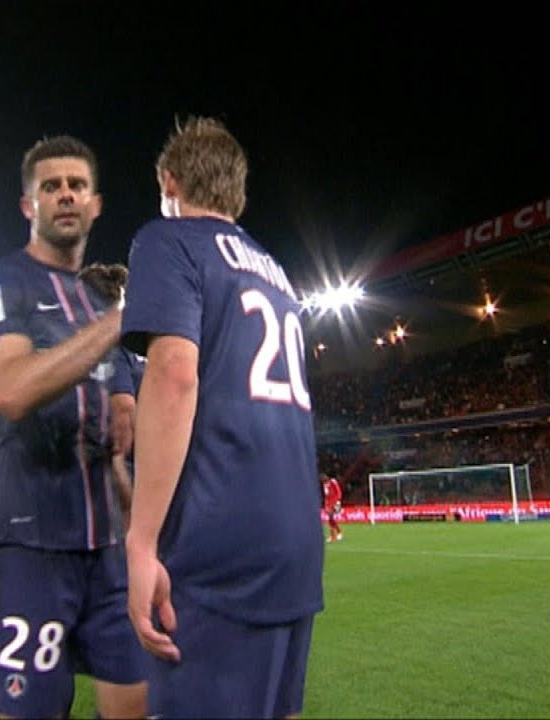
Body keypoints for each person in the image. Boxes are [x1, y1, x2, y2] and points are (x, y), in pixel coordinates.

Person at [121, 116, 324, 718]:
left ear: (169, 181)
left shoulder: (168, 240)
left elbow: (174, 374)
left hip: (219, 546)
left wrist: (141, 540)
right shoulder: (276, 274)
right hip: (295, 543)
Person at [0, 135, 146, 718]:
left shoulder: (94, 303)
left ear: (95, 204)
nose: (65, 194)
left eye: (77, 185)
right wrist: (122, 319)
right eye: (51, 186)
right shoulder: (0, 283)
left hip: (105, 546)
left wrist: (139, 536)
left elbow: (115, 441)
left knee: (137, 700)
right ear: (29, 206)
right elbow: (12, 390)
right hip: (30, 544)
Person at [79, 262, 145, 522]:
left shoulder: (109, 349)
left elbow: (123, 418)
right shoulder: (143, 344)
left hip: (135, 479)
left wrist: (129, 506)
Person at [321, 472, 344, 542]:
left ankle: (334, 535)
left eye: (324, 480)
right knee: (331, 519)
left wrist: (338, 501)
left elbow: (338, 491)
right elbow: (326, 496)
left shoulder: (333, 481)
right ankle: (337, 533)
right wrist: (326, 505)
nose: (324, 481)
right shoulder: (325, 485)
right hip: (329, 504)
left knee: (330, 518)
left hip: (335, 502)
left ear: (327, 477)